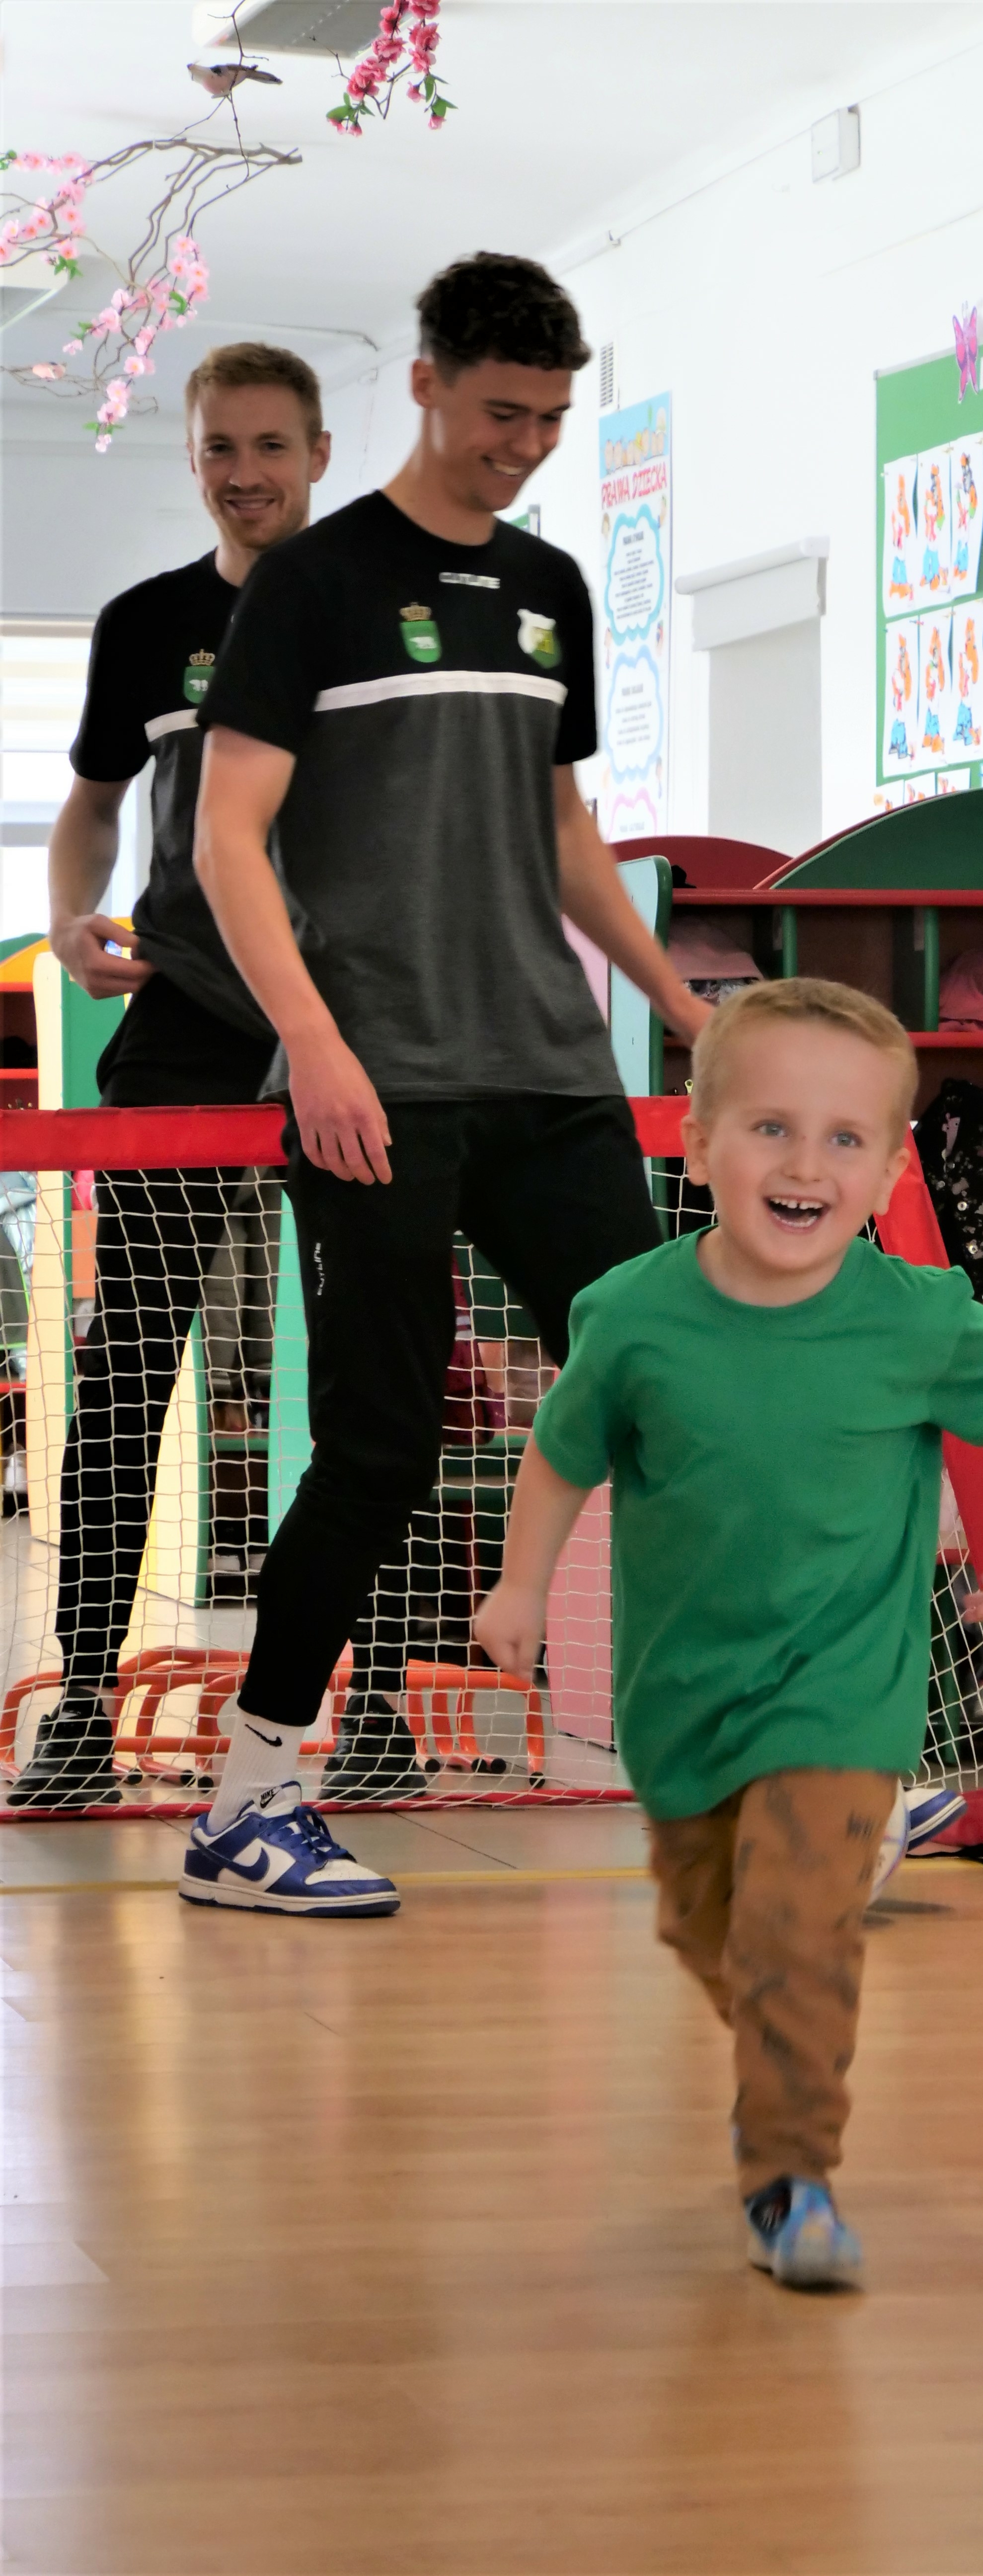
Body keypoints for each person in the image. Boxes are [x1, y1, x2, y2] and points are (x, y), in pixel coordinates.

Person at [179, 252, 708, 1916]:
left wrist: (677, 1001)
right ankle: (248, 1807)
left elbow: (561, 829)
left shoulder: (552, 588)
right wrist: (318, 1045)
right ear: (423, 383)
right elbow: (229, 836)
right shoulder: (315, 583)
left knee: (679, 1400)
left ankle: (773, 1771)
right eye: (499, 414)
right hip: (378, 1081)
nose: (524, 447)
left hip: (551, 1072)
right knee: (384, 1444)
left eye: (549, 419)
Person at [472, 979, 983, 2287]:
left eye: (843, 1138)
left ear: (887, 1173)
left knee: (797, 1937)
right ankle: (775, 2049)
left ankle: (791, 2174)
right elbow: (562, 1453)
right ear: (699, 1146)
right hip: (680, 1703)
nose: (806, 1164)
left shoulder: (916, 1318)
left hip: (844, 1696)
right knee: (712, 1931)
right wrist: (521, 1587)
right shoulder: (632, 1317)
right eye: (771, 1129)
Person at [9, 344, 332, 1810]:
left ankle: (374, 1708)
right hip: (186, 1025)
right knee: (128, 1365)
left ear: (318, 453)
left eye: (269, 446)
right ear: (192, 458)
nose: (244, 474)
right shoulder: (148, 625)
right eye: (219, 449)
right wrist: (69, 919)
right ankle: (84, 1701)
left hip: (354, 1029)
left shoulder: (369, 614)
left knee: (372, 1378)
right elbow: (91, 809)